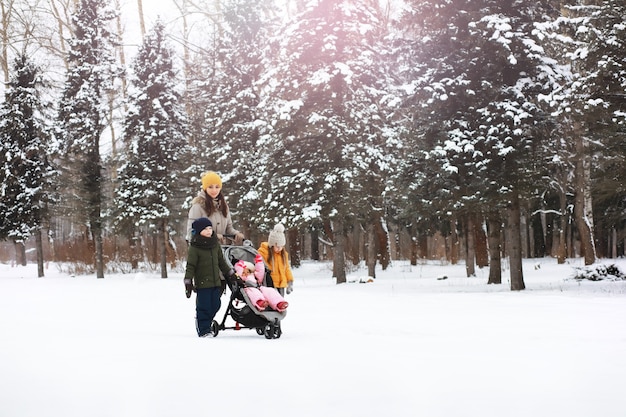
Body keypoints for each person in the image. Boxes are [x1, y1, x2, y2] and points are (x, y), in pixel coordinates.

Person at [183, 217, 235, 337]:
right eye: (205, 229)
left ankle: (207, 322)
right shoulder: (195, 247)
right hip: (202, 283)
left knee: (216, 304)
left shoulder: (215, 245)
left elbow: (222, 262)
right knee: (204, 306)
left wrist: (231, 274)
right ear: (198, 231)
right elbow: (190, 266)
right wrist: (188, 281)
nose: (208, 231)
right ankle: (204, 329)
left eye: (210, 228)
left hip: (216, 282)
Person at [187, 171, 245, 245]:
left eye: (217, 187)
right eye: (210, 187)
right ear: (205, 188)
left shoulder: (224, 206)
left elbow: (228, 228)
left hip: (221, 251)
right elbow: (191, 233)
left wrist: (237, 234)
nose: (214, 190)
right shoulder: (198, 207)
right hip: (204, 252)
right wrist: (212, 237)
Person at [257, 223, 294, 296]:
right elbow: (260, 268)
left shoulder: (283, 254)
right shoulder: (264, 253)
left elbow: (286, 268)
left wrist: (290, 281)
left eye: (281, 246)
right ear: (272, 244)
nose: (279, 249)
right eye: (277, 246)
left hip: (281, 285)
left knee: (280, 305)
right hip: (269, 285)